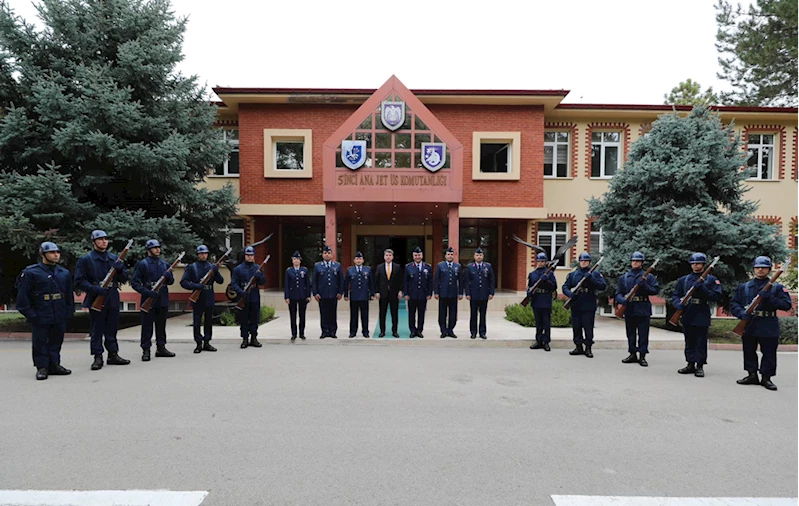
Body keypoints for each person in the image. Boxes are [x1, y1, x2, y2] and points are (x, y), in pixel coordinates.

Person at [730, 256, 793, 391]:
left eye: (763, 267)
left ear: (769, 270)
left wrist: (769, 297)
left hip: (768, 323)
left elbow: (786, 305)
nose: (760, 270)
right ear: (753, 269)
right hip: (750, 323)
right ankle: (752, 374)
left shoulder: (777, 288)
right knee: (749, 350)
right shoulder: (745, 287)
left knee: (769, 352)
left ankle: (766, 377)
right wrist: (741, 314)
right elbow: (734, 304)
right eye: (757, 267)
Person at [16, 242, 75, 380]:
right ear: (43, 254)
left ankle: (54, 364)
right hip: (41, 311)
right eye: (52, 252)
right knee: (40, 341)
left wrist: (69, 311)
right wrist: (31, 315)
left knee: (56, 340)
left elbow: (68, 295)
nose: (56, 255)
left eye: (58, 252)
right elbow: (23, 298)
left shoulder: (63, 273)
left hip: (59, 311)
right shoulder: (31, 272)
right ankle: (42, 367)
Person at [74, 230, 130, 370]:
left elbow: (123, 279)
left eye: (106, 239)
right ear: (93, 242)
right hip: (96, 295)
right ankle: (97, 356)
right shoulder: (86, 260)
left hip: (112, 295)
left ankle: (113, 354)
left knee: (112, 328)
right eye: (100, 239)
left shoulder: (114, 258)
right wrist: (94, 289)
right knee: (97, 329)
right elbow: (79, 281)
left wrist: (121, 269)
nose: (104, 241)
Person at [672, 253, 722, 377]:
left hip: (701, 312)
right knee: (689, 340)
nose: (695, 265)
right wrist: (678, 304)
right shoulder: (684, 280)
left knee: (701, 341)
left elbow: (716, 296)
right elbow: (676, 295)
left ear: (703, 265)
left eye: (698, 263)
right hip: (688, 311)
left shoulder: (711, 280)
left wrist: (703, 289)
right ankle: (690, 364)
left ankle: (699, 366)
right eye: (693, 263)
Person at [131, 239, 176, 361]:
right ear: (149, 250)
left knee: (161, 325)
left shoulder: (164, 264)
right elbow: (134, 283)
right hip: (148, 298)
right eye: (155, 247)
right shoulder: (143, 264)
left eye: (158, 247)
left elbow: (171, 282)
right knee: (147, 326)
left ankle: (161, 347)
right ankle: (146, 350)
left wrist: (169, 276)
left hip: (162, 298)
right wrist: (146, 292)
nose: (158, 249)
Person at [615, 251, 660, 367]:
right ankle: (632, 353)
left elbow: (655, 290)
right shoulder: (624, 277)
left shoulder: (648, 277)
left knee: (643, 334)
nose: (635, 263)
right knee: (630, 333)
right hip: (629, 307)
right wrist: (622, 300)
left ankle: (642, 356)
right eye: (633, 261)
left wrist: (644, 285)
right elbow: (618, 293)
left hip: (643, 307)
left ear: (641, 263)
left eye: (638, 261)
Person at [180, 245, 224, 353]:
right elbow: (183, 282)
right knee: (197, 322)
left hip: (209, 297)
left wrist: (216, 271)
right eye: (201, 253)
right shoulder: (192, 267)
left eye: (205, 253)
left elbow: (221, 281)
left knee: (208, 321)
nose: (204, 255)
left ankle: (207, 342)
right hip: (198, 298)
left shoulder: (211, 267)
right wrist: (195, 286)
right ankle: (199, 343)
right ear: (198, 255)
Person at [562, 252, 606, 358]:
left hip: (588, 303)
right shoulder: (573, 274)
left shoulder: (595, 274)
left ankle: (588, 348)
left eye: (585, 261)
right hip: (576, 303)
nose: (583, 262)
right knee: (576, 327)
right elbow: (565, 287)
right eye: (581, 261)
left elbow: (602, 286)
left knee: (588, 327)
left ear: (589, 262)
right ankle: (578, 346)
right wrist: (570, 294)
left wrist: (591, 278)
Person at [232, 246, 266, 349]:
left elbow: (263, 282)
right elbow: (234, 284)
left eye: (251, 255)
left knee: (254, 319)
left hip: (254, 296)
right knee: (244, 319)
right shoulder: (238, 269)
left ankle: (254, 338)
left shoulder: (258, 268)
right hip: (243, 297)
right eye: (248, 255)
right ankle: (245, 339)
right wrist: (241, 292)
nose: (250, 257)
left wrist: (260, 276)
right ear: (245, 256)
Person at [527, 252, 557, 351]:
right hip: (536, 299)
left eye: (542, 261)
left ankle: (546, 341)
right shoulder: (532, 274)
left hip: (546, 299)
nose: (540, 263)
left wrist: (546, 281)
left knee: (546, 323)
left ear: (545, 262)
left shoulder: (550, 273)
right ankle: (539, 340)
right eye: (539, 261)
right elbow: (530, 286)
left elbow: (554, 287)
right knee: (538, 322)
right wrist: (528, 292)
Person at [312, 245, 344, 338]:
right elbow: (314, 281)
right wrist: (315, 293)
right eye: (325, 253)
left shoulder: (337, 266)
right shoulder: (317, 266)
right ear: (322, 254)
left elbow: (341, 280)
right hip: (322, 294)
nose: (327, 255)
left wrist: (340, 292)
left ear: (332, 255)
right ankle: (324, 331)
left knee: (333, 313)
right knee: (323, 313)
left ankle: (333, 331)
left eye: (329, 253)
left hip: (334, 294)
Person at [464, 247, 495, 339]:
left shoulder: (488, 266)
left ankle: (482, 332)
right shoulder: (470, 267)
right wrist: (468, 293)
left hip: (484, 294)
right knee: (473, 314)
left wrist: (491, 293)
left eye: (480, 255)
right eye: (477, 255)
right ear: (474, 256)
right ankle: (473, 332)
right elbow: (467, 281)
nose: (479, 257)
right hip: (473, 295)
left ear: (483, 256)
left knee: (483, 314)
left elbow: (491, 280)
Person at [403, 246, 433, 338]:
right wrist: (406, 293)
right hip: (412, 295)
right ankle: (412, 330)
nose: (417, 257)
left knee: (421, 314)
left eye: (419, 255)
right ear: (413, 256)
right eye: (415, 255)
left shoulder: (427, 267)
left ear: (422, 256)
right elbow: (405, 281)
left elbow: (430, 281)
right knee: (411, 314)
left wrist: (429, 293)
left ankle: (419, 330)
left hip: (423, 294)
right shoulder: (408, 267)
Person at [434, 246, 463, 338]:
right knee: (442, 313)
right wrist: (436, 292)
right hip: (443, 293)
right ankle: (443, 331)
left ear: (453, 256)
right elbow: (436, 280)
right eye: (448, 254)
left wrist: (460, 293)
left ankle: (450, 330)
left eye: (451, 254)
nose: (450, 256)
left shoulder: (458, 266)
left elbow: (461, 281)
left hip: (453, 294)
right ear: (445, 256)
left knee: (453, 313)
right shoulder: (440, 265)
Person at [374, 248, 403, 338]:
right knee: (382, 313)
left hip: (394, 293)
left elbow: (400, 280)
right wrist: (377, 292)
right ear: (384, 257)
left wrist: (400, 291)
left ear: (392, 257)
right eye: (386, 255)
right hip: (383, 293)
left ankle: (394, 331)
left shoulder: (397, 267)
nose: (388, 257)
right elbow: (376, 280)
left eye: (390, 255)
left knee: (394, 313)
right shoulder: (379, 267)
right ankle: (382, 331)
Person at [344, 251, 373, 338]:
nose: (358, 260)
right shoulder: (350, 270)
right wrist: (346, 294)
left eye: (360, 259)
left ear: (363, 260)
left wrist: (372, 294)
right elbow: (346, 284)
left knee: (365, 315)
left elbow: (371, 283)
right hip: (354, 296)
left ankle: (365, 331)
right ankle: (353, 332)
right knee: (353, 315)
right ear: (354, 260)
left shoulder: (368, 269)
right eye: (357, 259)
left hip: (364, 295)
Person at [284, 251, 311, 340]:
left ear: (300, 261)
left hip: (302, 295)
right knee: (293, 315)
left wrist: (308, 295)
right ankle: (294, 333)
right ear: (292, 260)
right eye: (294, 259)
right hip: (292, 296)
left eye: (298, 259)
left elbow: (307, 284)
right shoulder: (289, 271)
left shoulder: (304, 270)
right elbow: (286, 285)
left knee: (302, 315)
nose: (296, 261)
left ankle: (302, 333)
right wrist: (287, 296)